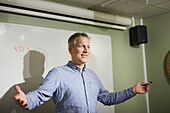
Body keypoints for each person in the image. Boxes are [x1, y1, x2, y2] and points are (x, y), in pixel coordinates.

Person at [14, 32, 150, 113]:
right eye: (81, 46)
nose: (86, 50)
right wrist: (27, 100)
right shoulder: (57, 73)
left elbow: (108, 98)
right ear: (70, 49)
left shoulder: (92, 76)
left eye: (88, 47)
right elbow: (40, 94)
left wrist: (133, 90)